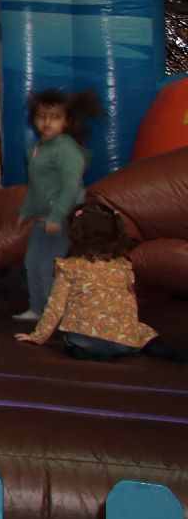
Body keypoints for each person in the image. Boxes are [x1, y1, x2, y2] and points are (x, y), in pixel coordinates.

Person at [15, 201, 180, 360]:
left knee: (72, 340)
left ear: (74, 233)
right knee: (144, 331)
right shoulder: (122, 265)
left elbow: (56, 307)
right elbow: (129, 302)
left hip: (86, 340)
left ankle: (85, 352)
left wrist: (38, 336)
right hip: (124, 342)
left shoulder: (69, 267)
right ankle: (158, 347)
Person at [13, 88, 102, 322]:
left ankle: (56, 313)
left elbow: (71, 187)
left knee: (48, 267)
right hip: (42, 219)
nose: (47, 122)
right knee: (31, 264)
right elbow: (35, 188)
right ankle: (37, 308)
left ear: (67, 121)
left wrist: (57, 216)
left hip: (61, 219)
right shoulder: (35, 151)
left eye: (55, 117)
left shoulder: (66, 149)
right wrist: (25, 212)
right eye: (42, 116)